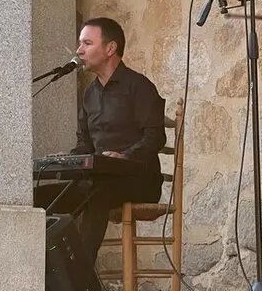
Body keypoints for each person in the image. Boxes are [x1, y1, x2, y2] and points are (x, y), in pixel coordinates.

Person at [34, 17, 166, 265]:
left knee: (97, 194)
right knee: (40, 197)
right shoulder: (90, 95)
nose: (79, 50)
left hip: (139, 179)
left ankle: (80, 275)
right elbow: (85, 144)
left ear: (110, 49)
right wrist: (68, 161)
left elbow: (155, 137)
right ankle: (46, 274)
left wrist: (126, 156)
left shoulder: (139, 86)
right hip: (100, 179)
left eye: (87, 43)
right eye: (80, 44)